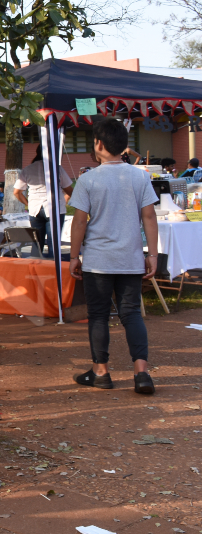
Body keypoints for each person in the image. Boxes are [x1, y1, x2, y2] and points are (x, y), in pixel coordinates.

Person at [68, 118, 159, 395]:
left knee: (98, 315)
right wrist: (153, 254)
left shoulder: (87, 179)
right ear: (124, 146)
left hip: (98, 260)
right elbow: (149, 217)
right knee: (131, 314)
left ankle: (101, 372)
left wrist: (74, 257)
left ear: (98, 144)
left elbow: (80, 221)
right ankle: (142, 373)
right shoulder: (140, 176)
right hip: (130, 258)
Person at [13, 147, 73, 255]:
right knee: (53, 244)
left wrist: (28, 204)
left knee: (36, 245)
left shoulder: (28, 169)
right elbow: (69, 190)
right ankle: (52, 264)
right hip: (54, 208)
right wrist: (65, 199)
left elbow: (17, 192)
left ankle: (36, 265)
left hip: (35, 209)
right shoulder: (57, 168)